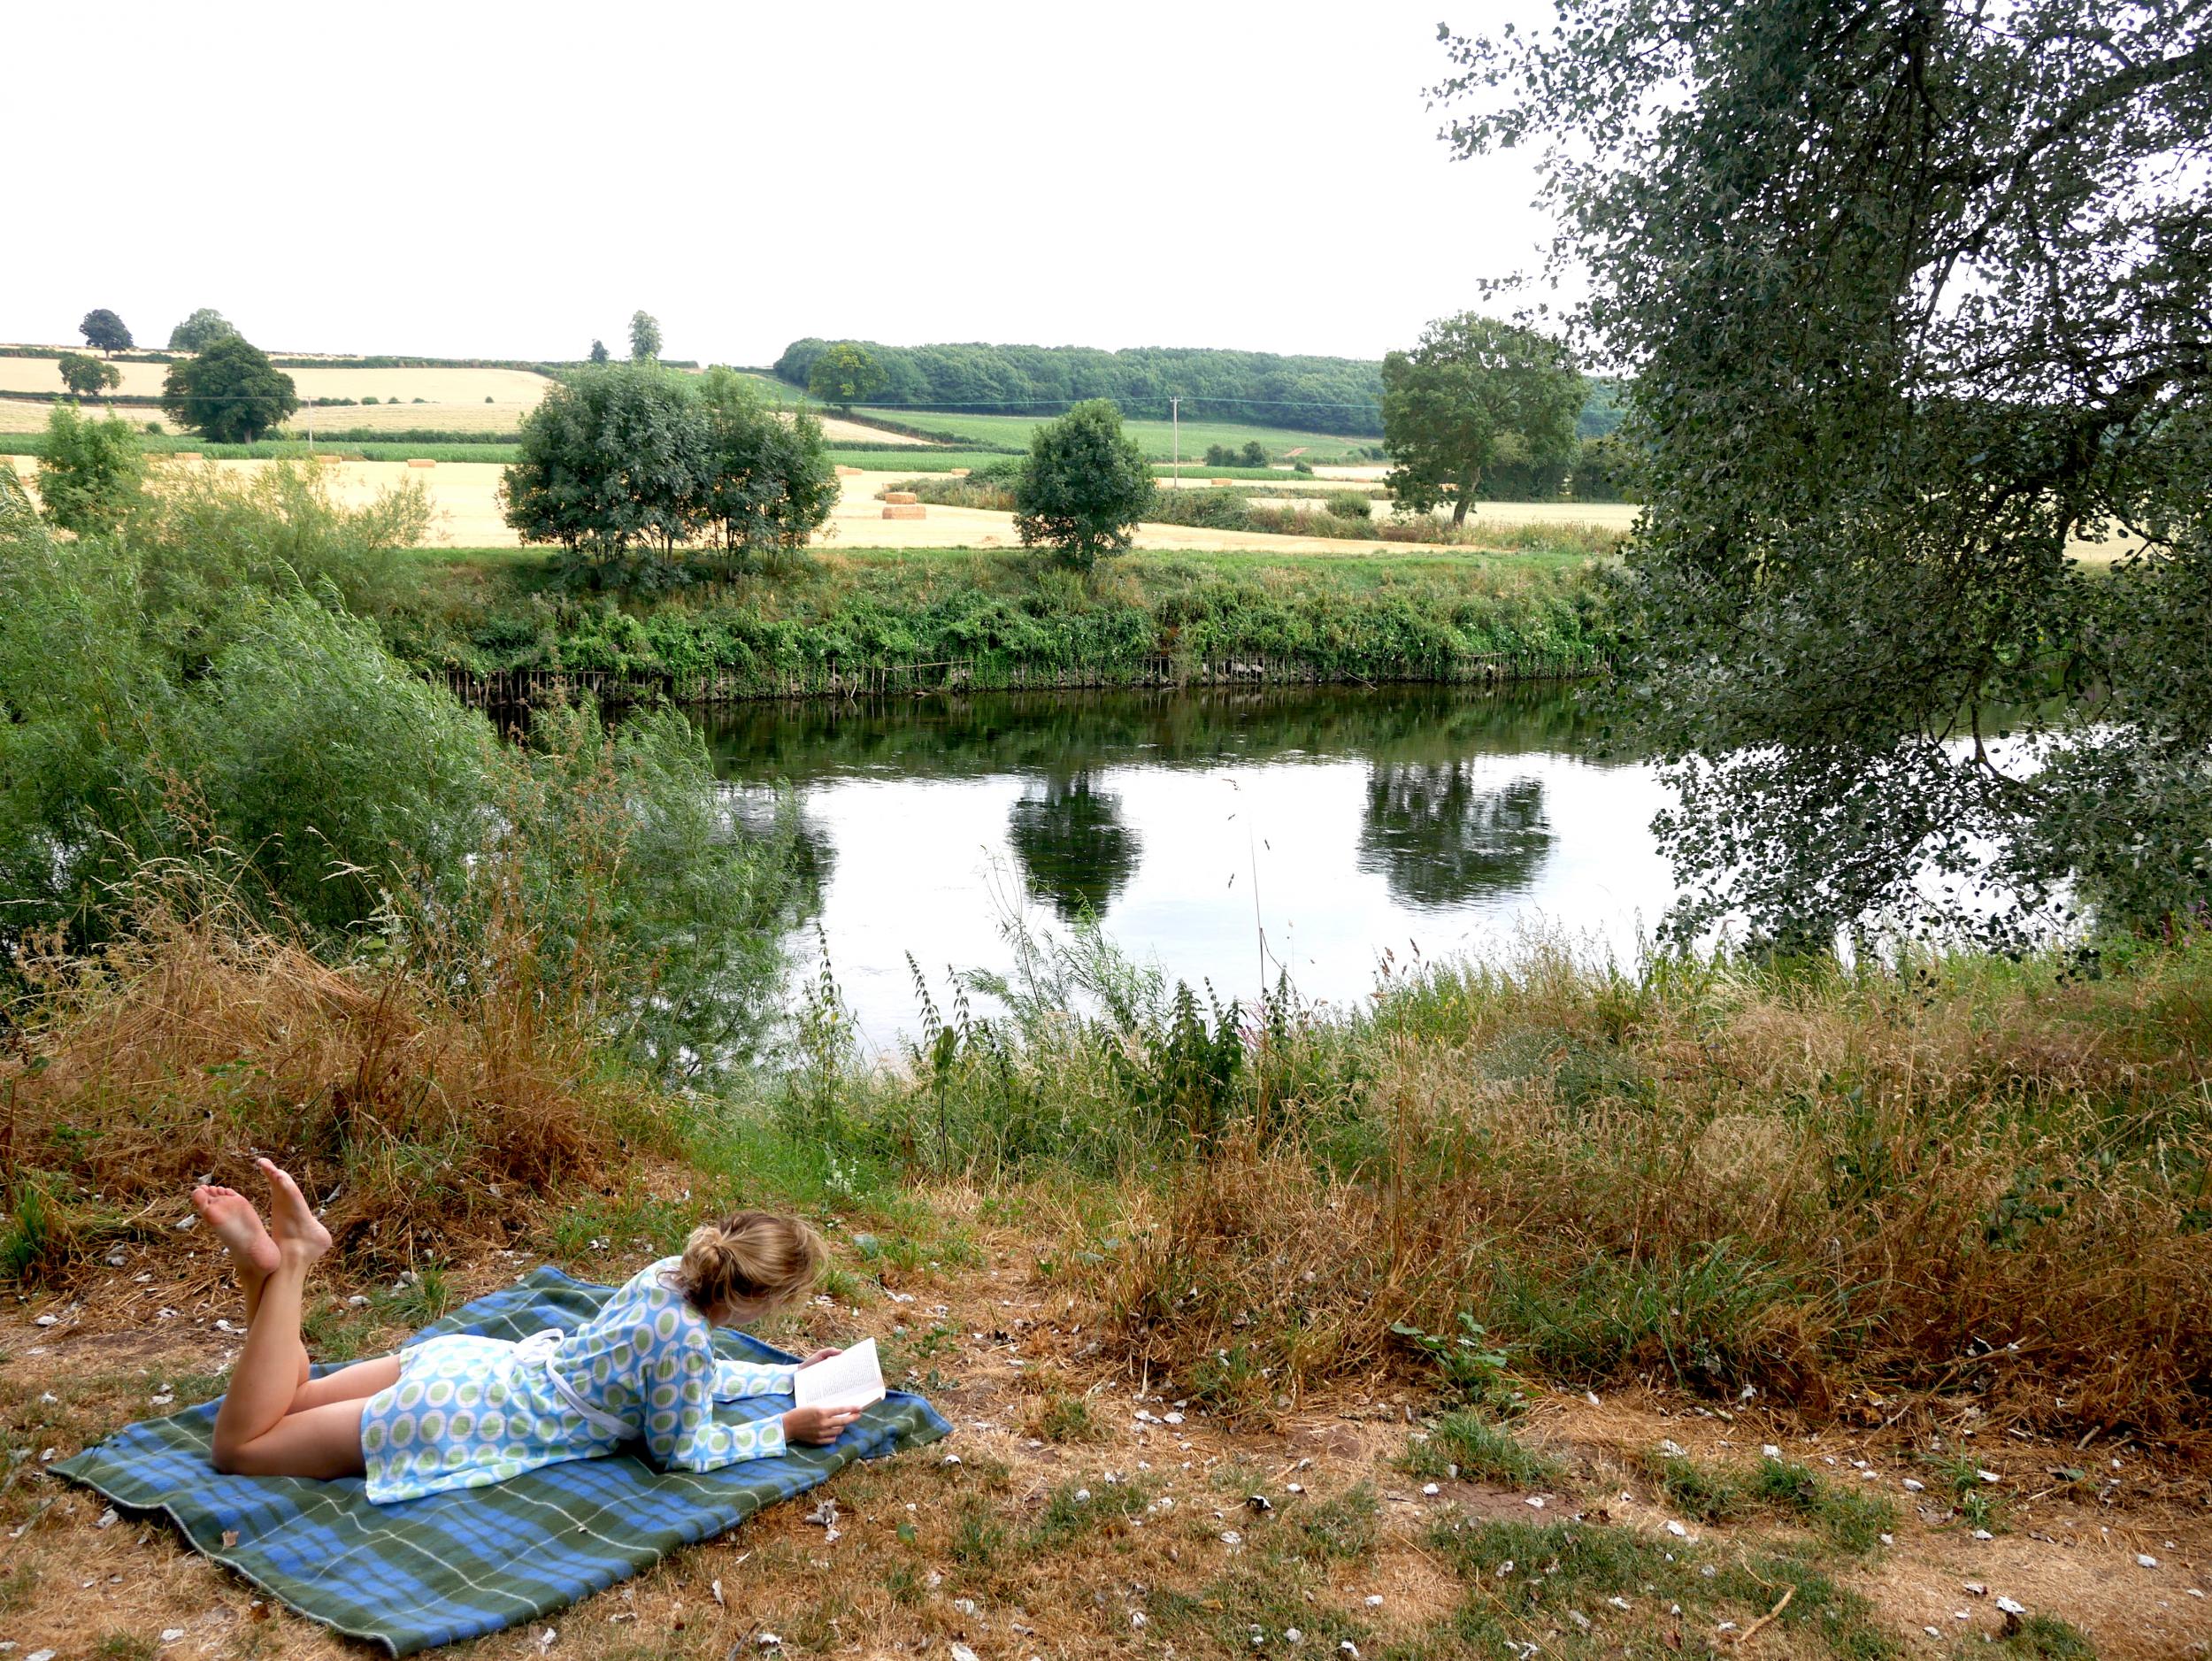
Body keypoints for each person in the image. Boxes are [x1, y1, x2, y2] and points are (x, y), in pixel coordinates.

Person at [190, 1159, 864, 1503]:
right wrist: (784, 1426)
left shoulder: (668, 1275)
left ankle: (262, 1274)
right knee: (241, 1446)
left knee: (291, 1396)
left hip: (481, 1368)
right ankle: (298, 1260)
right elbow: (680, 1449)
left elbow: (693, 1379)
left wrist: (786, 1376)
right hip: (456, 1416)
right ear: (756, 1299)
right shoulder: (686, 1342)